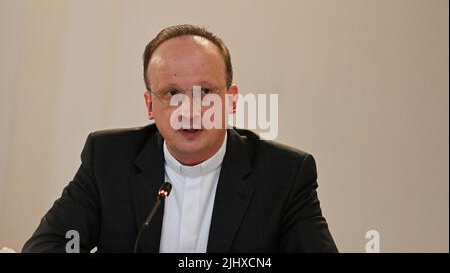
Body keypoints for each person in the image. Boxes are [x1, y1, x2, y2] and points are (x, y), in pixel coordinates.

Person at [22, 24, 338, 253]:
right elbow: (46, 246)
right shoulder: (107, 159)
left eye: (206, 92)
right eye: (171, 94)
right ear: (150, 105)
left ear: (231, 101)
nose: (188, 110)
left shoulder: (285, 174)